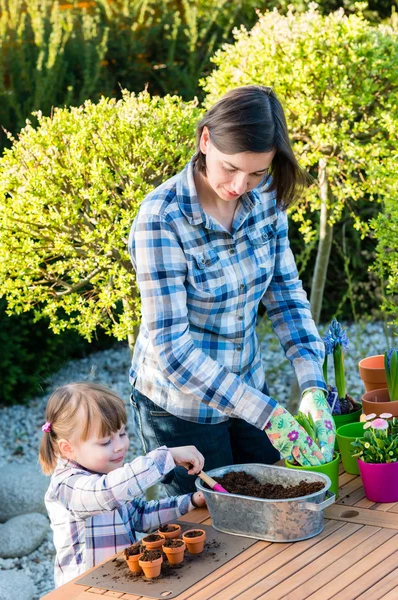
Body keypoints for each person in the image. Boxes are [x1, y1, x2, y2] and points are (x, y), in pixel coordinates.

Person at [128, 85, 336, 496]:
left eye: (257, 172)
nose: (241, 185)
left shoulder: (266, 200)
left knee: (272, 502)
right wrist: (268, 414)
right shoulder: (161, 219)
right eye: (230, 168)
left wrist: (312, 384)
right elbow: (172, 350)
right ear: (206, 140)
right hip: (179, 408)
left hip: (248, 389)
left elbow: (286, 296)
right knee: (214, 534)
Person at [38, 382, 206, 588]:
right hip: (85, 590)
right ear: (68, 449)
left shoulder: (110, 473)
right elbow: (107, 493)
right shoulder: (67, 485)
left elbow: (139, 516)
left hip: (119, 581)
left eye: (122, 434)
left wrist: (189, 501)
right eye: (105, 442)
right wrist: (166, 457)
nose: (119, 446)